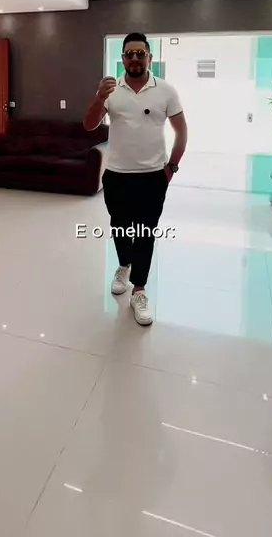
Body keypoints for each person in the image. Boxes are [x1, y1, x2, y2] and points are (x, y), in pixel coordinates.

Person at [83, 32, 188, 325]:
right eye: (129, 54)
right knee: (120, 227)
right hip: (116, 176)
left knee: (144, 232)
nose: (134, 59)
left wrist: (172, 167)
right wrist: (99, 98)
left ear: (149, 58)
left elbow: (182, 132)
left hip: (153, 177)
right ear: (123, 59)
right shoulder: (111, 91)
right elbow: (89, 125)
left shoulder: (166, 91)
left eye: (140, 54)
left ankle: (139, 290)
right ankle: (124, 266)